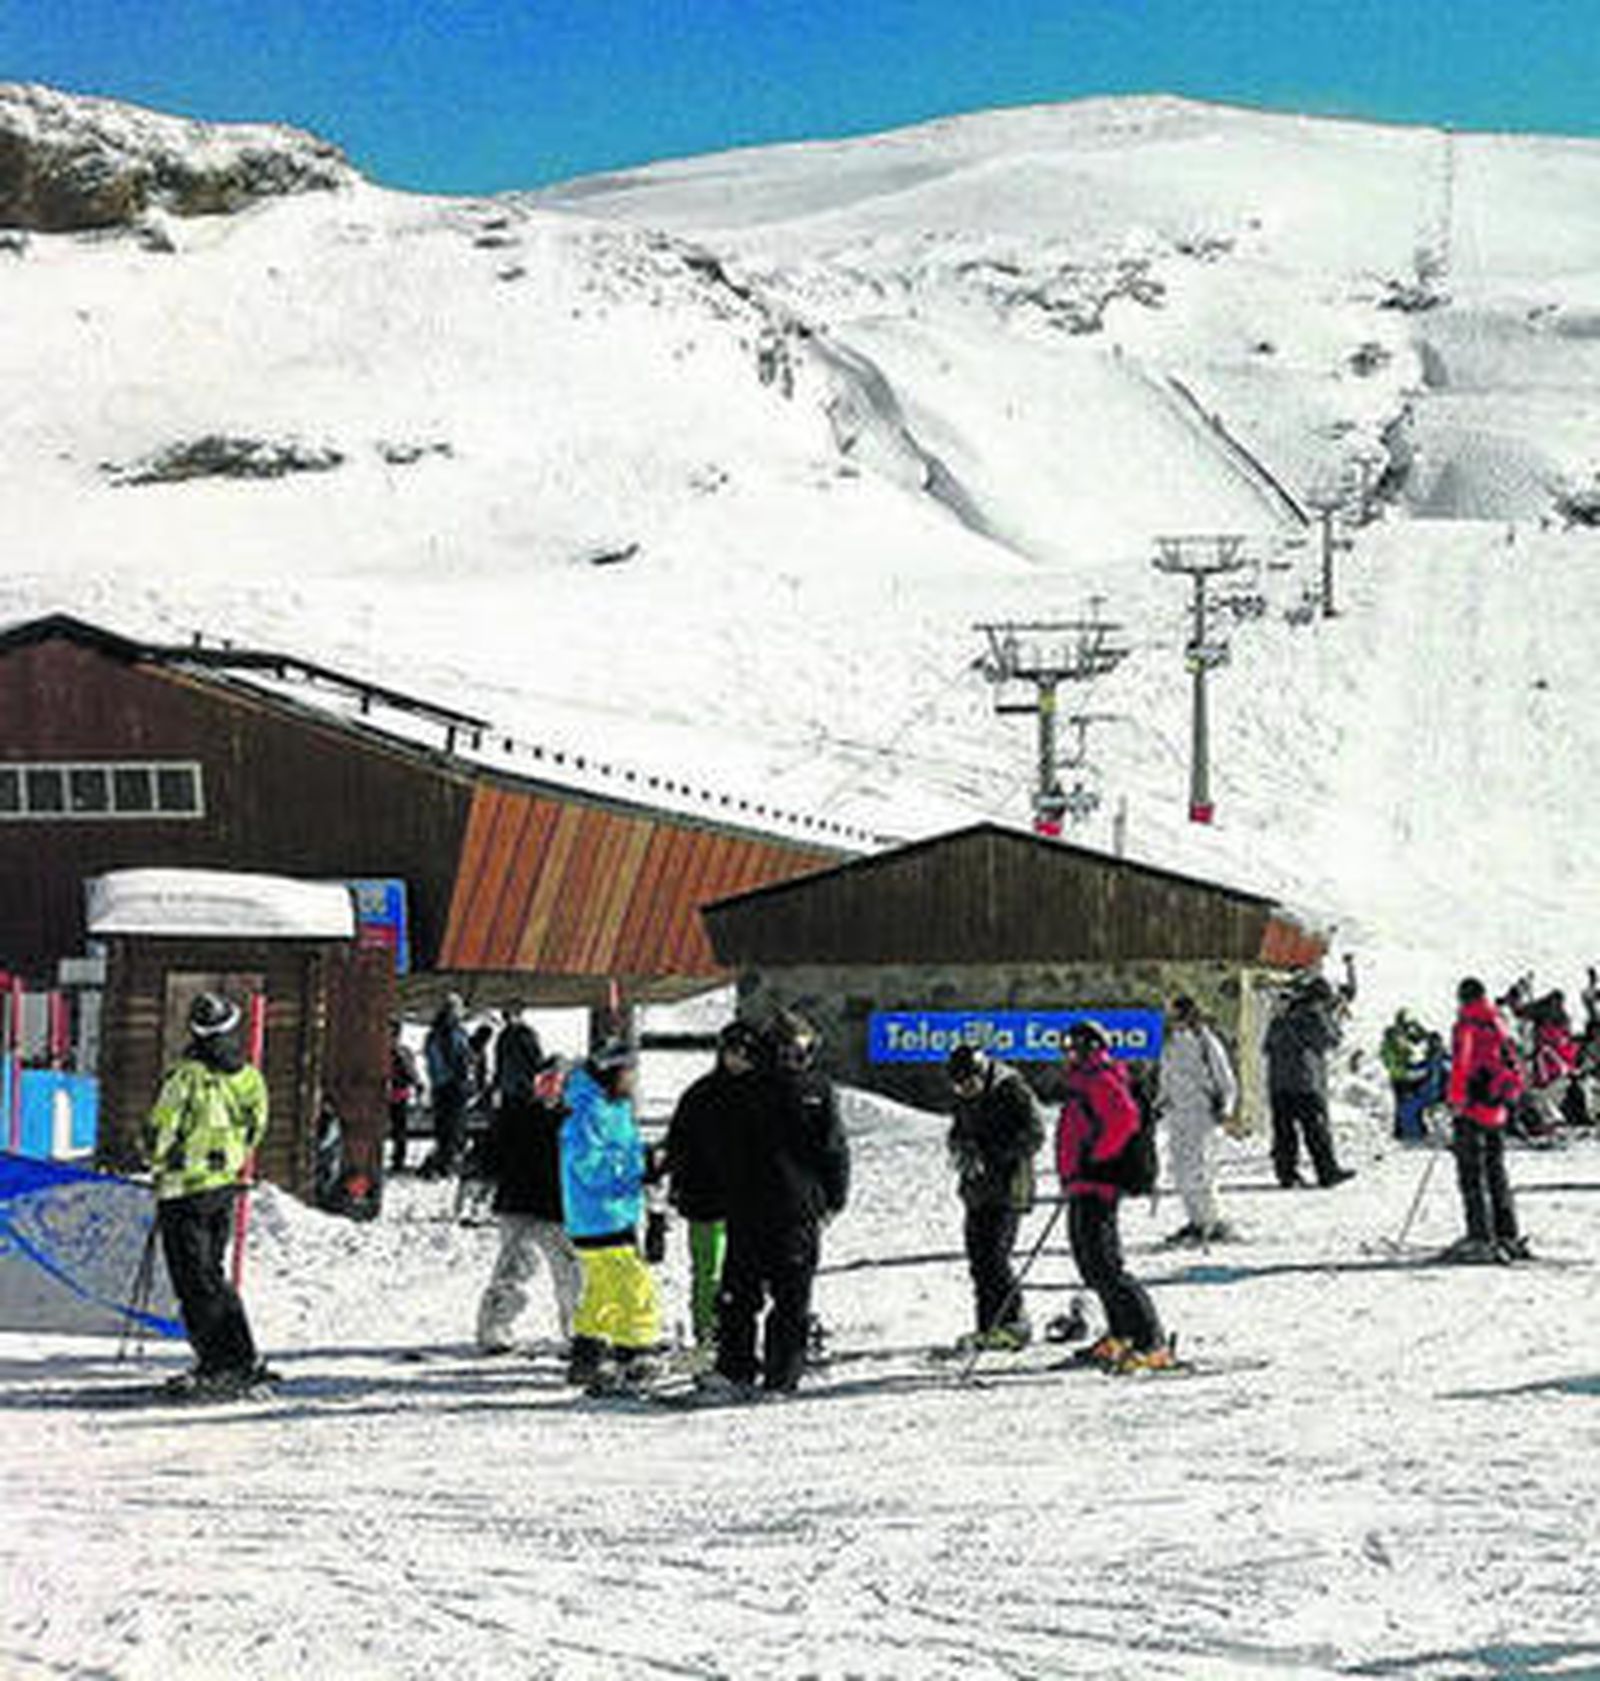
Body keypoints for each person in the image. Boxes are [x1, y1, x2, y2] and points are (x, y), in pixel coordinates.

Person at [709, 1009, 850, 1397]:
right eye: (791, 1050)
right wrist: (834, 1196)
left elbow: (833, 1149)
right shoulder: (786, 1090)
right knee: (758, 1294)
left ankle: (766, 1372)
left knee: (774, 1295)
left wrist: (834, 1196)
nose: (796, 1059)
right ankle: (758, 1371)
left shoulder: (798, 1090)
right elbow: (833, 1149)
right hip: (774, 1208)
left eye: (802, 1051)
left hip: (779, 1208)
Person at [142, 991, 271, 1397]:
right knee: (213, 1276)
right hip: (222, 1188)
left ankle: (218, 1363)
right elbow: (257, 1126)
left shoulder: (186, 1077)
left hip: (183, 1192)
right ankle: (239, 1354)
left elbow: (159, 1132)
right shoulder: (249, 1077)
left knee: (194, 1283)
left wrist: (154, 1158)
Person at [1056, 1021, 1172, 1372]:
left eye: (1074, 1047)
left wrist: (1096, 1159)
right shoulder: (1085, 1079)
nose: (1069, 1054)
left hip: (1097, 1184)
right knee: (1091, 1265)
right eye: (1067, 1048)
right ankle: (1121, 1335)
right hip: (1081, 1184)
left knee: (1107, 1266)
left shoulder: (1102, 1077)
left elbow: (1124, 1119)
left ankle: (1151, 1341)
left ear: (1091, 1047)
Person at [475, 1012, 582, 1355]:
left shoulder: (576, 1120)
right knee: (513, 1269)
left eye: (556, 1083)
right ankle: (495, 1326)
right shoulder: (516, 1114)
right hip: (519, 1203)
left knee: (570, 1273)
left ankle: (578, 1331)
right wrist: (485, 1173)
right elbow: (491, 1152)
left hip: (558, 1207)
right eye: (544, 1082)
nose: (549, 1089)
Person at [560, 1040, 662, 1391]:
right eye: (629, 1072)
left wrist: (642, 1163)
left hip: (607, 1214)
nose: (634, 1080)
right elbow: (589, 1165)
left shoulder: (610, 1108)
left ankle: (588, 1353)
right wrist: (635, 1170)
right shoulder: (590, 1112)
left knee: (602, 1290)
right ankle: (635, 1353)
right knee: (634, 1286)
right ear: (612, 1073)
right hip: (601, 1216)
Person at [663, 1019, 763, 1355]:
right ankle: (708, 1332)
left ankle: (739, 1333)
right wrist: (677, 1182)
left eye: (745, 1053)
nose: (738, 1060)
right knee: (709, 1271)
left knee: (748, 1272)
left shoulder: (764, 1092)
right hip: (706, 1198)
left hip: (752, 1200)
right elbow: (678, 1143)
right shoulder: (701, 1095)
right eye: (732, 1052)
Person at [944, 1044, 1044, 1348]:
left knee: (994, 1256)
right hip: (978, 1188)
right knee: (978, 1258)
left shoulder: (1011, 1089)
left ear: (982, 1071)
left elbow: (1035, 1134)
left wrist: (991, 1152)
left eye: (969, 1084)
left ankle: (1014, 1321)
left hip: (1008, 1186)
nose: (964, 1090)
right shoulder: (965, 1095)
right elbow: (958, 1130)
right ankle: (988, 1325)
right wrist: (961, 1147)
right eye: (958, 1086)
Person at [1444, 978, 1529, 1263]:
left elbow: (1460, 1066)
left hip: (1472, 1110)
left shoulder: (1466, 1025)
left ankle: (1480, 1237)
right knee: (1496, 1172)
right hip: (1497, 1110)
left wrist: (1455, 1102)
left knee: (1471, 1175)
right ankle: (1507, 1233)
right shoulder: (1498, 1023)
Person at [1156, 996, 1240, 1245]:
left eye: (1177, 1015)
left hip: (1201, 1113)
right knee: (1180, 1170)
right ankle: (1195, 1219)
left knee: (1201, 1170)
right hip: (1178, 1114)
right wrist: (1161, 1102)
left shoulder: (1206, 1042)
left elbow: (1225, 1079)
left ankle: (1212, 1221)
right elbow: (1166, 1075)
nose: (1174, 1021)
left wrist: (1225, 1107)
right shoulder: (1170, 1043)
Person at [1263, 974, 1356, 1188]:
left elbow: (1266, 1046)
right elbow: (1331, 1040)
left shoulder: (1280, 1016)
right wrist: (1332, 1017)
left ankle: (1286, 1174)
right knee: (1315, 1130)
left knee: (1284, 1132)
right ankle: (1327, 1172)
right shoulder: (1313, 1015)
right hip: (1303, 1081)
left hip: (1277, 1082)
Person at [421, 992, 471, 1178]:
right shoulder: (453, 1032)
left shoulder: (434, 1033)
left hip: (439, 1085)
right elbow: (459, 1059)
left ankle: (443, 1163)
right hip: (453, 1086)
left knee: (443, 1128)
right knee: (454, 1127)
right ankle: (447, 1164)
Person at [1380, 1009, 1434, 1142]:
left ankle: (1413, 1128)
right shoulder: (1392, 1039)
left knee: (1413, 1102)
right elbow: (1391, 1060)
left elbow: (1423, 1037)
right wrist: (1403, 1071)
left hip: (1409, 1073)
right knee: (1402, 1103)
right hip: (1400, 1076)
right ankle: (1402, 1130)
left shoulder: (1410, 1033)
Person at [387, 1019, 422, 1174]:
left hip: (394, 1094)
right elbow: (411, 1073)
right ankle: (398, 1160)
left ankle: (398, 1159)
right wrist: (416, 1083)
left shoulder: (395, 1052)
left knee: (398, 1130)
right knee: (399, 1130)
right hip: (397, 1095)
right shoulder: (402, 1052)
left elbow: (411, 1073)